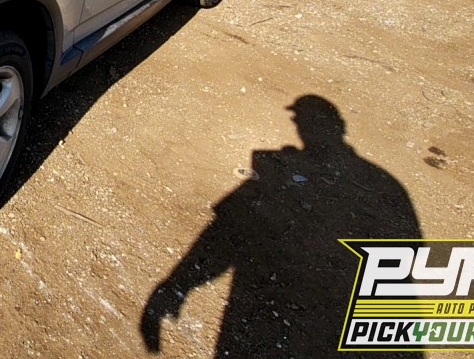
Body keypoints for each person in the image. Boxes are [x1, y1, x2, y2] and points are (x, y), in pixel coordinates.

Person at [140, 95, 423, 357]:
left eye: (301, 119)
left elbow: (222, 228)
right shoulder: (385, 184)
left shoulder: (376, 185)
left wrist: (177, 284)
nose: (297, 125)